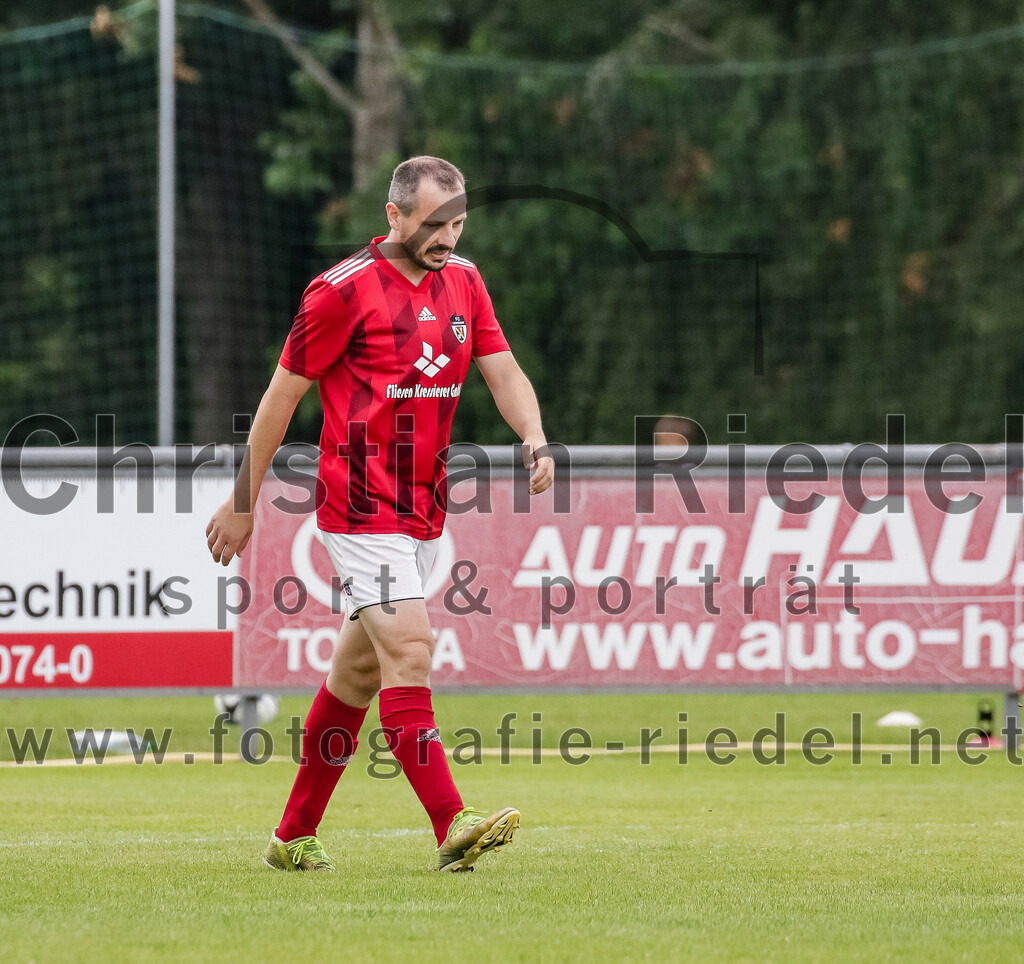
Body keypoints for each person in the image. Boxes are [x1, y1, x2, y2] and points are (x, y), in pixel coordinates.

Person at [205, 156, 554, 873]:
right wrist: (243, 501)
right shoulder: (339, 293)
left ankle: (293, 834)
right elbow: (279, 399)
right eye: (432, 224)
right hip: (359, 509)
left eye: (457, 223)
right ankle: (451, 820)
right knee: (412, 652)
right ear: (393, 216)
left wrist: (534, 435)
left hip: (424, 510)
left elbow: (503, 368)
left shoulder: (465, 282)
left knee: (357, 678)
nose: (446, 237)